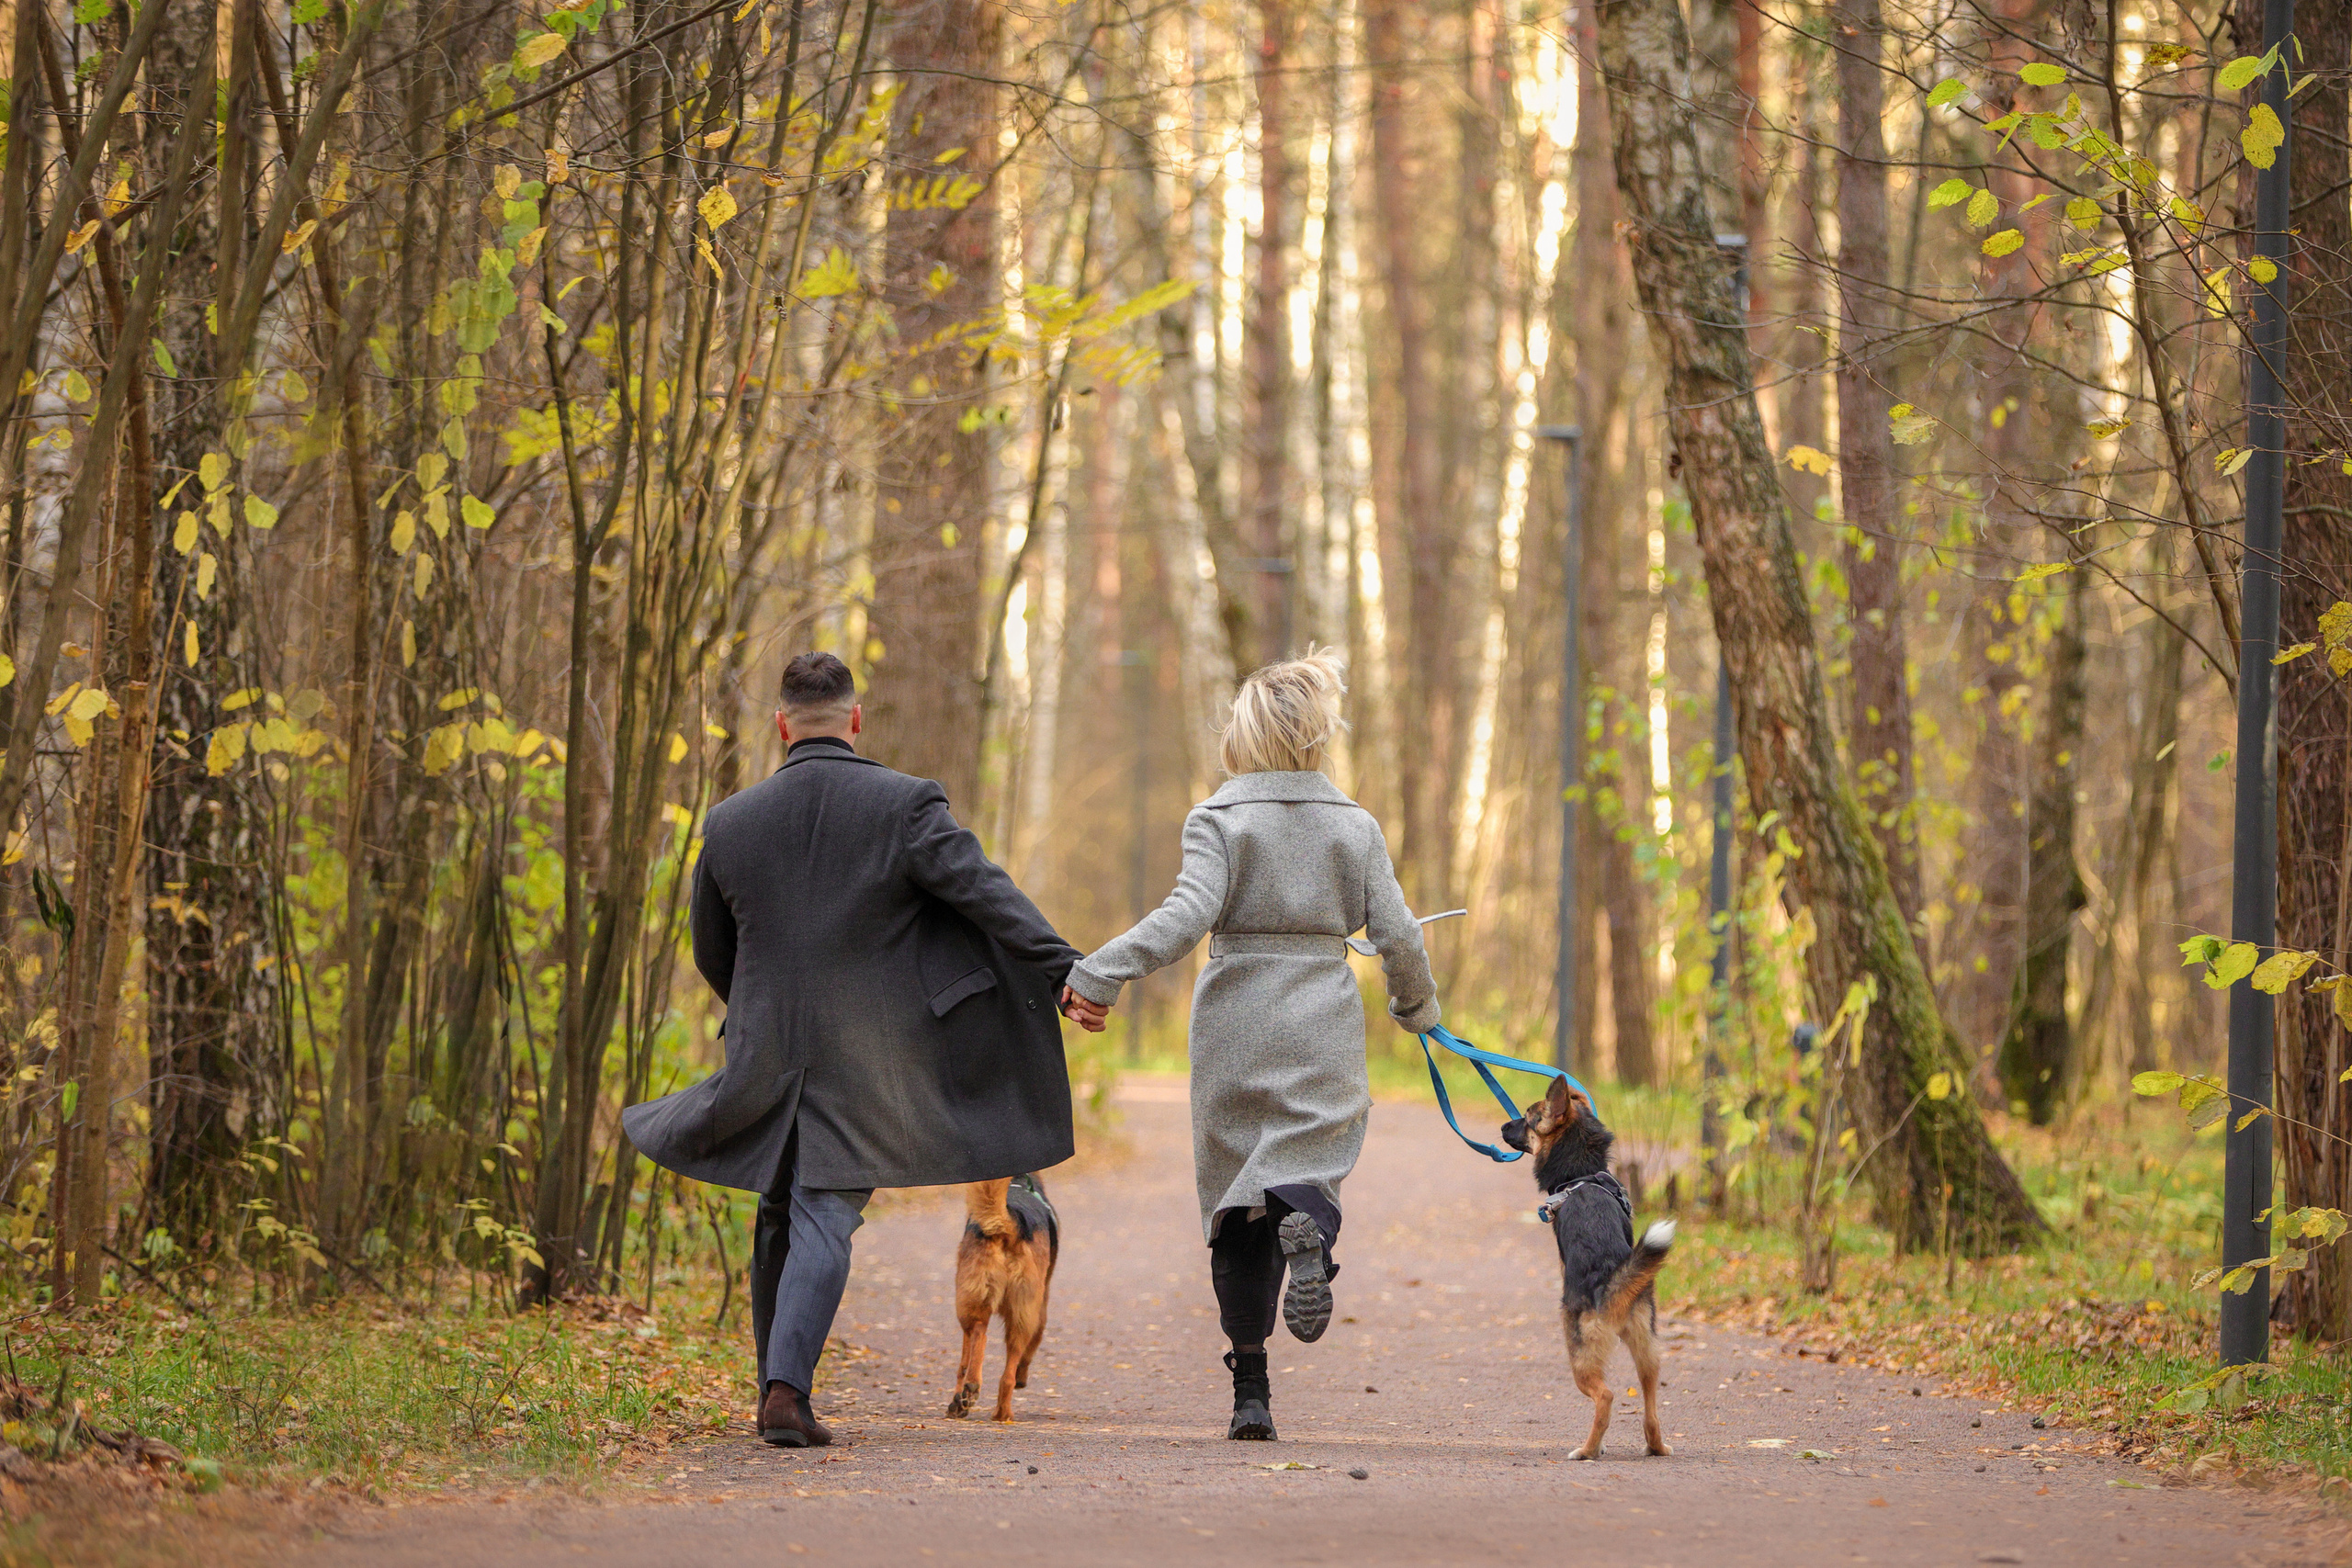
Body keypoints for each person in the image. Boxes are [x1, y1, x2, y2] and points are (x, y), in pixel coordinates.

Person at [621, 651, 1107, 1449]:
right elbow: (988, 894)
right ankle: (785, 1392)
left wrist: (759, 1017)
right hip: (865, 1057)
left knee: (780, 1210)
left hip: (763, 1049)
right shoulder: (906, 805)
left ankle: (774, 1388)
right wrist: (1068, 972)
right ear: (854, 721)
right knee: (825, 1210)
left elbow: (714, 949)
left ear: (781, 726)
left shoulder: (730, 821)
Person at [1058, 649, 1438, 1441]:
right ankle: (1312, 1227)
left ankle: (1251, 1392)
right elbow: (1397, 932)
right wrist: (1417, 1007)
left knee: (1235, 1199)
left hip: (1232, 1023)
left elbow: (1185, 917)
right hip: (1320, 1025)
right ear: (1316, 737)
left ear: (1247, 734)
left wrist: (1099, 973)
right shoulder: (1355, 825)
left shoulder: (1220, 819)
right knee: (1307, 1165)